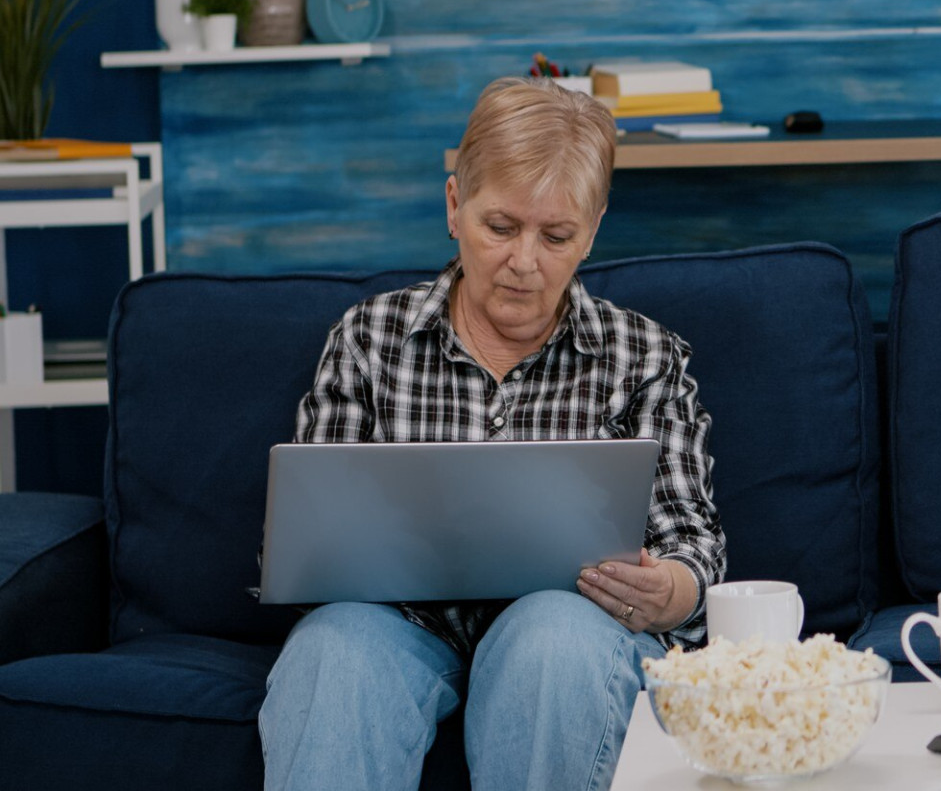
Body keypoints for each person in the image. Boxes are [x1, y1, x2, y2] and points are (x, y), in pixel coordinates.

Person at [259, 78, 727, 791]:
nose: (524, 261)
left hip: (571, 630)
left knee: (551, 643)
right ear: (454, 206)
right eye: (500, 227)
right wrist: (313, 556)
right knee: (333, 655)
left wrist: (671, 588)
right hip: (398, 628)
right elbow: (308, 545)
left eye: (557, 235)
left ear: (592, 230)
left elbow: (693, 540)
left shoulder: (645, 357)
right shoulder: (368, 338)